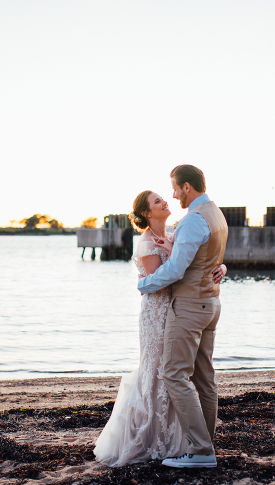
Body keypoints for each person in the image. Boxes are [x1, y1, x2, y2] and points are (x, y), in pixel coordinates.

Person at [93, 189, 226, 467]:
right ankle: (157, 439)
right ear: (146, 213)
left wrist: (220, 267)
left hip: (180, 310)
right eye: (157, 202)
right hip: (159, 313)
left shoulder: (177, 232)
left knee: (175, 375)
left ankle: (187, 441)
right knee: (157, 373)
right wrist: (146, 281)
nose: (165, 201)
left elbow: (197, 257)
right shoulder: (146, 244)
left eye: (163, 198)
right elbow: (163, 280)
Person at [137, 164, 228, 469]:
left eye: (175, 189)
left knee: (174, 374)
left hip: (190, 307)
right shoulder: (217, 214)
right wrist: (222, 268)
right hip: (211, 304)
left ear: (187, 187)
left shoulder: (192, 221)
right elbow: (211, 256)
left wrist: (144, 283)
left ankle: (201, 451)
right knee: (204, 377)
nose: (173, 195)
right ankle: (206, 445)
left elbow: (176, 270)